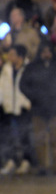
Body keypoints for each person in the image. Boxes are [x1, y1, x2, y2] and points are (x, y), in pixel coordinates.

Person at [19, 42, 56, 176]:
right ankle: (42, 167)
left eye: (48, 51)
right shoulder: (32, 67)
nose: (46, 54)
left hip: (55, 108)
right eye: (44, 52)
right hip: (38, 108)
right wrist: (34, 97)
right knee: (40, 139)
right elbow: (23, 84)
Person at [0, 45, 32, 176]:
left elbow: (30, 88)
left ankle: (25, 160)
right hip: (9, 108)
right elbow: (2, 87)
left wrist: (27, 102)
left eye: (12, 54)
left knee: (24, 136)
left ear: (20, 57)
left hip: (22, 108)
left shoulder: (28, 69)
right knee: (10, 136)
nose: (9, 57)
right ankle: (11, 160)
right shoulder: (6, 70)